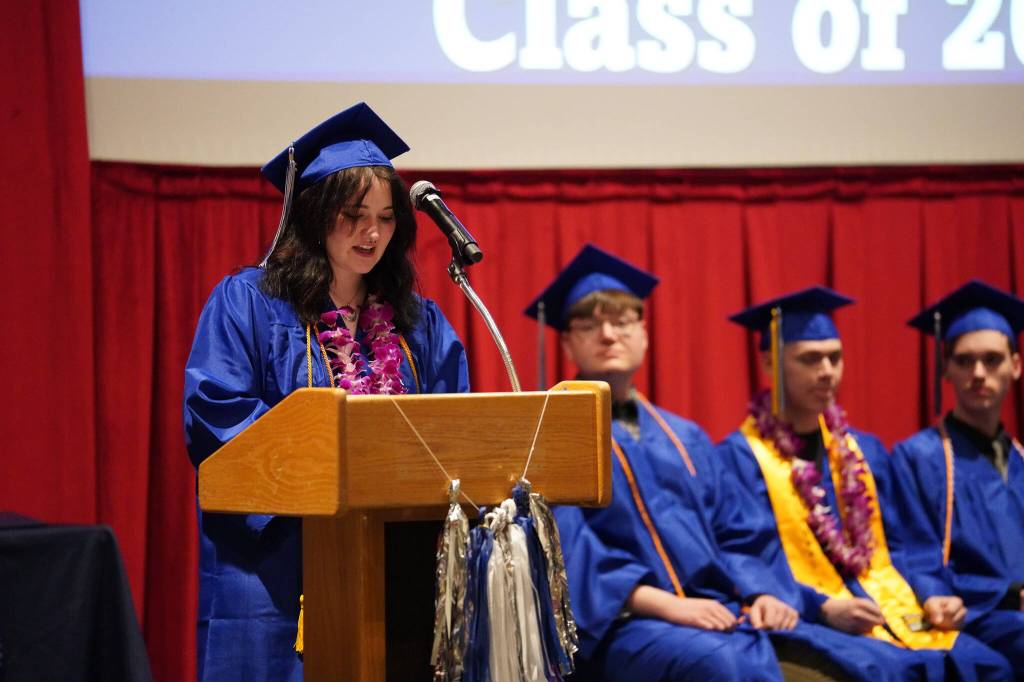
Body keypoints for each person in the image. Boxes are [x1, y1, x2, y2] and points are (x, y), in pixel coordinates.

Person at [527, 247, 926, 682]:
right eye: (589, 325)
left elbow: (738, 533)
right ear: (566, 341)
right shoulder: (550, 436)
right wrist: (668, 605)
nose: (608, 335)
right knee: (724, 665)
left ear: (644, 332)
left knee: (873, 662)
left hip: (720, 609)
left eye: (622, 322)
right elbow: (568, 553)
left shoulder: (686, 436)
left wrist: (765, 592)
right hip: (626, 622)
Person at [183, 102, 469, 682]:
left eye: (387, 218)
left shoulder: (420, 324)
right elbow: (220, 416)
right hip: (277, 560)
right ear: (313, 215)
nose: (372, 233)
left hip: (397, 552)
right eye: (354, 214)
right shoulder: (249, 304)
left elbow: (451, 425)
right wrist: (334, 475)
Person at [716, 286, 1013, 681]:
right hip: (812, 617)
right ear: (770, 364)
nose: (827, 371)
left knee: (987, 665)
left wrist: (933, 594)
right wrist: (820, 607)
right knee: (885, 671)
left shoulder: (863, 451)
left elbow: (907, 542)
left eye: (834, 358)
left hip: (891, 606)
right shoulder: (740, 458)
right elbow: (745, 556)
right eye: (810, 359)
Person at [890, 280, 1024, 675]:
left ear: (1016, 365)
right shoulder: (918, 457)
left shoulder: (1020, 458)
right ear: (945, 369)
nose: (979, 373)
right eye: (964, 361)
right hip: (974, 614)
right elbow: (911, 551)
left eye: (992, 360)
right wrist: (934, 595)